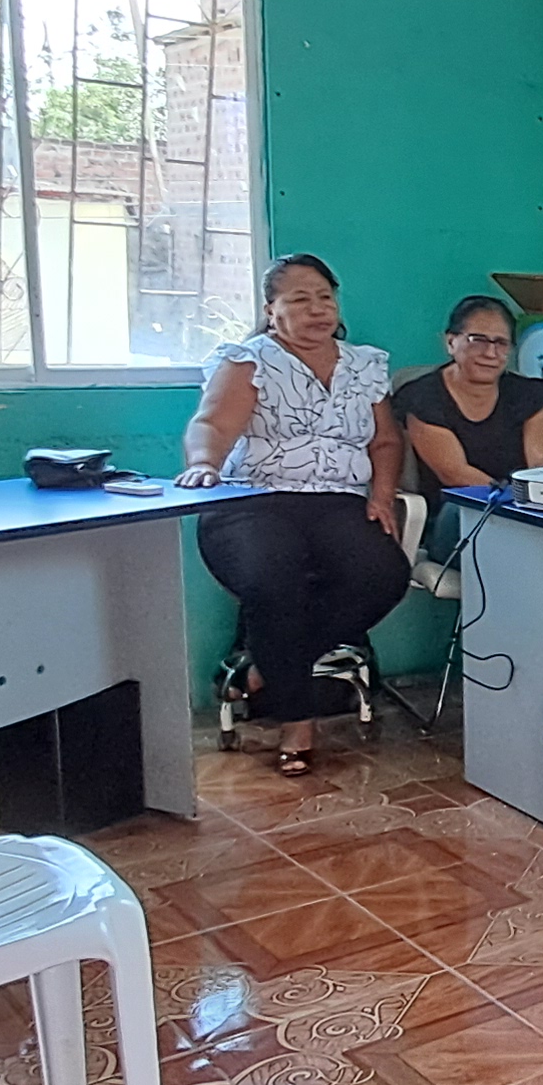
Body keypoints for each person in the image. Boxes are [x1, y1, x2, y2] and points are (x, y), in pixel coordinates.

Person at [175, 254, 409, 777]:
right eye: (300, 300)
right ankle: (297, 723)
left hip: (336, 500)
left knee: (384, 574)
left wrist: (382, 495)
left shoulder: (364, 366)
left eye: (325, 297)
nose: (317, 309)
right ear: (271, 310)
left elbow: (386, 441)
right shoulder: (249, 360)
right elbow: (211, 424)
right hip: (253, 499)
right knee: (273, 580)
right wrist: (204, 464)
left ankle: (261, 671)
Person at [388, 293, 543, 553]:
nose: (490, 353)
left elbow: (542, 468)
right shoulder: (423, 397)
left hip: (523, 515)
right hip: (455, 517)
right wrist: (516, 509)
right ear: (451, 342)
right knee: (464, 511)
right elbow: (456, 475)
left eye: (501, 343)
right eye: (478, 340)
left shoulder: (528, 394)